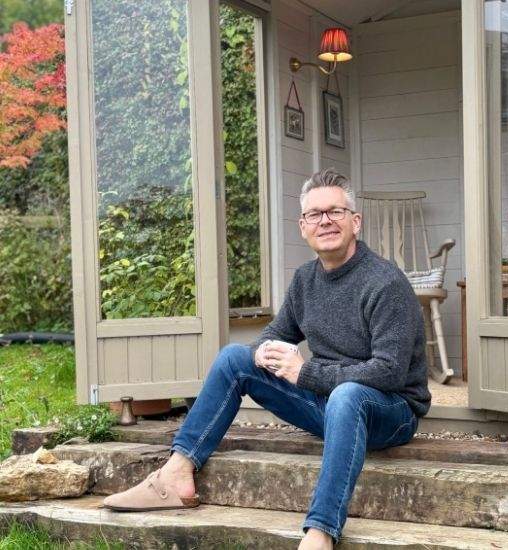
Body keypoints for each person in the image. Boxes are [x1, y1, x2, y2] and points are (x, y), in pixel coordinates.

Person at [102, 168, 431, 549]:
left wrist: (305, 372)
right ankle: (176, 473)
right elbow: (275, 333)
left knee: (347, 396)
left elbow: (389, 372)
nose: (325, 221)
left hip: (390, 412)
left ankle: (321, 532)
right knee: (234, 358)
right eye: (314, 214)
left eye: (335, 212)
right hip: (329, 406)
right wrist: (265, 350)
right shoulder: (305, 280)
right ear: (303, 227)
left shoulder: (385, 282)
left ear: (355, 222)